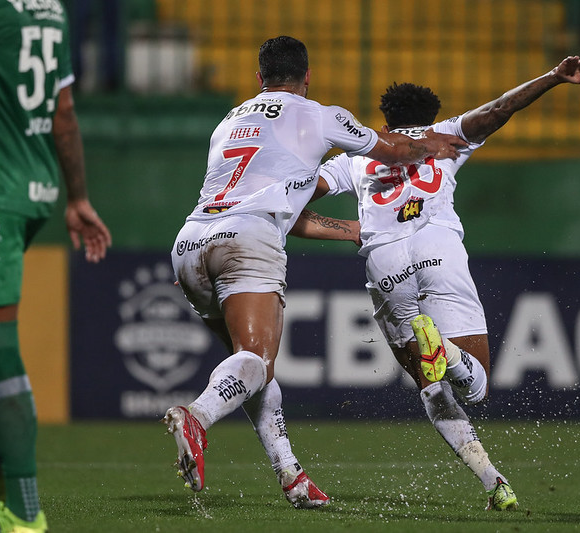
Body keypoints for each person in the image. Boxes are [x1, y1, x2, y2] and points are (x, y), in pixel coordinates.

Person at [164, 35, 467, 509]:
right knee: (256, 361)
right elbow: (391, 151)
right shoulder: (321, 115)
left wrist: (349, 230)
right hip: (248, 239)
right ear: (307, 77)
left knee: (249, 368)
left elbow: (283, 201)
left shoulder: (228, 122)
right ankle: (197, 417)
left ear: (259, 78)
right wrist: (432, 144)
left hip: (190, 243)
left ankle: (292, 477)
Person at [310, 53, 580, 511]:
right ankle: (446, 354)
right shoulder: (444, 135)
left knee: (430, 386)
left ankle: (494, 482)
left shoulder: (357, 154)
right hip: (438, 248)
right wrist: (552, 77)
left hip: (384, 262)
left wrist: (347, 228)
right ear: (430, 116)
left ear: (386, 121)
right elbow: (500, 109)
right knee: (476, 385)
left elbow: (304, 191)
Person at [0, 1, 112, 532]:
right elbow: (63, 111)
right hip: (31, 187)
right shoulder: (51, 10)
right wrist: (77, 196)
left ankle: (24, 514)